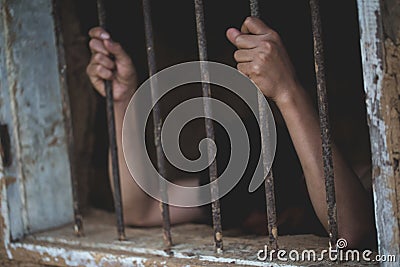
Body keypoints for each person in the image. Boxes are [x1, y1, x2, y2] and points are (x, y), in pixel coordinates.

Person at [86, 17, 375, 248]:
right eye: (244, 216)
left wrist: (287, 90)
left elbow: (351, 234)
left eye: (265, 214)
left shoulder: (361, 180)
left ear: (299, 181)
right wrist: (121, 101)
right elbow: (140, 211)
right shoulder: (232, 193)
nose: (253, 228)